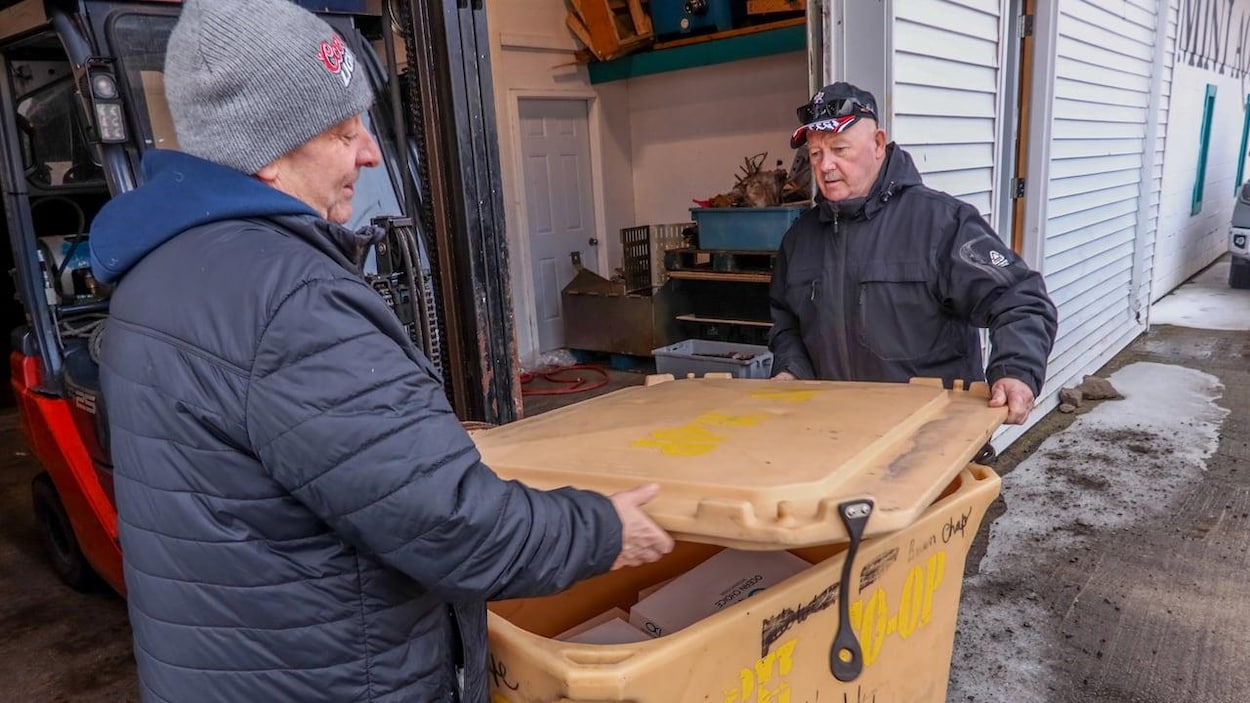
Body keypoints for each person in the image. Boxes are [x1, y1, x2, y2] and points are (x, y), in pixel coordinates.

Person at [87, 1, 673, 701]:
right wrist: (603, 530)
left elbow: (266, 459)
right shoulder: (289, 297)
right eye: (342, 132)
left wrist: (412, 435)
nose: (368, 152)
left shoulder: (155, 276)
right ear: (269, 155)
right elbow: (451, 525)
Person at [769, 82, 1058, 425]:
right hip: (835, 435)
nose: (825, 165)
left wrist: (1015, 371)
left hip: (933, 435)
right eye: (816, 154)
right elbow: (787, 323)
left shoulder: (942, 223)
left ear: (878, 145)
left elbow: (1020, 299)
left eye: (839, 149)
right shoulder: (799, 240)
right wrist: (790, 370)